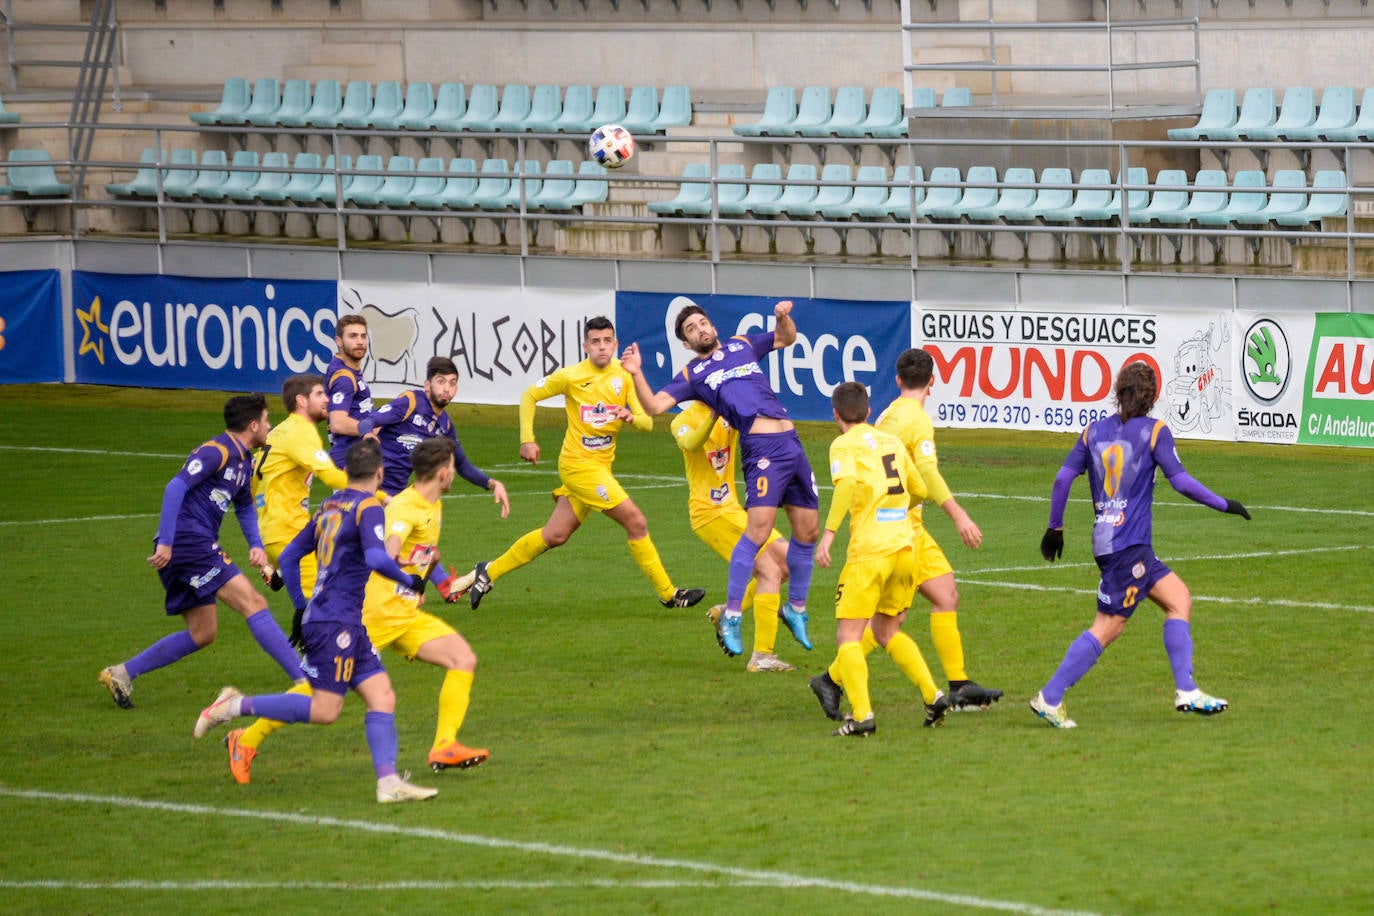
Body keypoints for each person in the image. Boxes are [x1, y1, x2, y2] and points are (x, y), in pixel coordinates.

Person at [225, 437, 489, 784]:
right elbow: (387, 551)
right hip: (373, 615)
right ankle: (244, 739)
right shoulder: (404, 509)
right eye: (453, 468)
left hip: (404, 616)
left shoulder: (431, 504)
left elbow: (409, 552)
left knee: (462, 659)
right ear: (444, 473)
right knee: (321, 693)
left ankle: (444, 745)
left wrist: (426, 563)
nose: (455, 473)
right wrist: (410, 574)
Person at [192, 438, 441, 804]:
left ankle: (388, 784)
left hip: (339, 620)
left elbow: (290, 556)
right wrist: (411, 580)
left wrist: (299, 605)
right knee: (325, 710)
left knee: (382, 696)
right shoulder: (369, 507)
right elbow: (375, 557)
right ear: (380, 473)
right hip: (334, 623)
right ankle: (232, 707)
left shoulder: (329, 505)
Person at [1031, 360, 1250, 729]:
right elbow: (1180, 482)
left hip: (1109, 542)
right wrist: (1224, 504)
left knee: (1178, 598)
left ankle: (1187, 690)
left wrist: (1055, 527)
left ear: (1119, 392)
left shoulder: (1092, 432)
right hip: (1128, 547)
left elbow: (1062, 479)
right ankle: (1050, 697)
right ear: (1152, 396)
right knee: (1108, 626)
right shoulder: (1155, 432)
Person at [460, 316, 704, 611]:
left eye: (607, 341)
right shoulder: (571, 376)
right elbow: (529, 395)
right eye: (595, 342)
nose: (602, 347)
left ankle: (489, 571)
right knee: (636, 521)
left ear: (615, 344)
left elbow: (647, 423)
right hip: (578, 466)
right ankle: (669, 594)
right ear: (585, 345)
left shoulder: (624, 375)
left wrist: (631, 417)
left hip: (600, 469)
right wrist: (527, 439)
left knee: (555, 535)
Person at [621, 299, 816, 658]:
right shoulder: (691, 394)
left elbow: (785, 338)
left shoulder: (742, 345)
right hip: (711, 509)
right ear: (686, 345)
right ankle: (761, 653)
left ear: (712, 324)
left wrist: (783, 318)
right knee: (770, 568)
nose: (699, 329)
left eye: (701, 322)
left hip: (766, 467)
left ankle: (744, 613)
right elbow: (656, 411)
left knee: (793, 555)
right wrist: (636, 373)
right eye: (690, 330)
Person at [99, 394, 303, 709]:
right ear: (252, 425)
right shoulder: (216, 451)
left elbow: (246, 505)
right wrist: (166, 541)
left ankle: (122, 673)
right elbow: (174, 487)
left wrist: (256, 547)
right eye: (265, 420)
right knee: (254, 602)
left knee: (203, 631)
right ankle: (304, 681)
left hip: (188, 546)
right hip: (187, 542)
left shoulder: (244, 460)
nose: (269, 426)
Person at [807, 382, 950, 737]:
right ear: (869, 412)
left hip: (869, 553)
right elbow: (919, 490)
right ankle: (933, 695)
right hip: (905, 549)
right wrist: (896, 508)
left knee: (849, 637)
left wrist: (829, 533)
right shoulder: (893, 443)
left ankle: (862, 716)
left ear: (835, 414)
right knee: (886, 630)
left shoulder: (842, 444)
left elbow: (844, 486)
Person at [872, 348, 1002, 710]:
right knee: (889, 620)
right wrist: (960, 516)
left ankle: (959, 684)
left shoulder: (888, 414)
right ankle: (833, 679)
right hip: (898, 525)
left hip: (899, 519)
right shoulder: (918, 420)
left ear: (898, 380)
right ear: (933, 381)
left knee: (946, 594)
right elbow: (928, 473)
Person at [671, 400, 809, 672]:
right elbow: (690, 445)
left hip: (732, 510)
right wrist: (713, 416)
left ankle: (725, 612)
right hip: (709, 515)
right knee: (769, 572)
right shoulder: (683, 420)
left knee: (787, 563)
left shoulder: (730, 415)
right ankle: (762, 657)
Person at [356, 355, 511, 514]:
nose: (446, 389)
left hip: (395, 498)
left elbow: (462, 465)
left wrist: (493, 484)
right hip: (368, 489)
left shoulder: (445, 425)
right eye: (441, 381)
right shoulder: (410, 402)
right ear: (427, 385)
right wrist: (367, 434)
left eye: (452, 383)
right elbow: (367, 421)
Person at [254, 373, 349, 604]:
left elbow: (253, 485)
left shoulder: (277, 431)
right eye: (319, 394)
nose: (327, 399)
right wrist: (376, 492)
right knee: (320, 608)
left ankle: (278, 571)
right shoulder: (300, 431)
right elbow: (329, 475)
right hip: (290, 533)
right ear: (301, 401)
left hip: (271, 532)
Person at [325, 313, 374, 469]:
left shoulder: (349, 369)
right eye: (352, 336)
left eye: (363, 336)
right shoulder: (344, 378)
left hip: (358, 457)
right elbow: (337, 423)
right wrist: (370, 430)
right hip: (351, 462)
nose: (359, 342)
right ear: (338, 341)